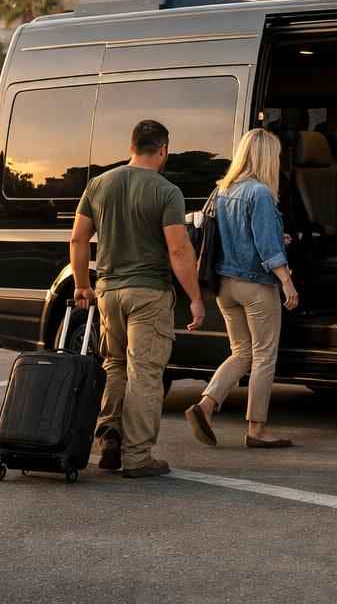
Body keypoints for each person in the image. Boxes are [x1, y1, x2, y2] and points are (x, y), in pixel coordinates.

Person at [70, 119, 204, 479]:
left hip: (108, 292)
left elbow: (78, 239)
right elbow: (178, 250)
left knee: (115, 364)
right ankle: (138, 456)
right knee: (144, 372)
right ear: (162, 150)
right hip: (148, 293)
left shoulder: (98, 184)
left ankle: (109, 439)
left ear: (131, 147)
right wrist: (195, 297)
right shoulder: (167, 191)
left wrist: (83, 284)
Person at [185, 128, 302, 449]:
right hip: (256, 286)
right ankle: (256, 429)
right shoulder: (260, 193)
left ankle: (206, 405)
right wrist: (287, 281)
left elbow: (236, 236)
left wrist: (279, 237)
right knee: (264, 355)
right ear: (267, 157)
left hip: (225, 286)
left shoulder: (222, 190)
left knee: (241, 353)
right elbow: (266, 247)